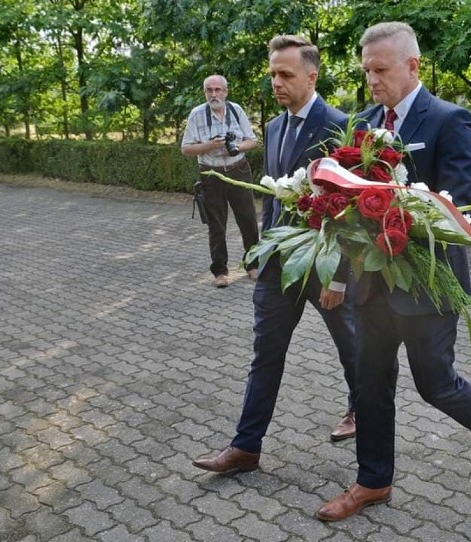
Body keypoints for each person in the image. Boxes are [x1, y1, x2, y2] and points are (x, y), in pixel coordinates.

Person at [315, 22, 471, 522]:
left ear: (412, 66)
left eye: (380, 69)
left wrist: (397, 210)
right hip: (371, 283)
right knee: (370, 385)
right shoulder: (364, 125)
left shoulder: (449, 119)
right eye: (366, 71)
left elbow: (459, 203)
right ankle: (372, 482)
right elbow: (347, 207)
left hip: (427, 283)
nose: (372, 79)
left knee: (434, 384)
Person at [190, 36, 359, 475]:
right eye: (272, 75)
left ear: (311, 75)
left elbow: (350, 213)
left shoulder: (341, 126)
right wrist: (262, 256)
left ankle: (360, 410)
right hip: (278, 265)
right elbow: (277, 200)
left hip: (325, 266)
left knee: (353, 349)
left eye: (285, 74)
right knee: (265, 354)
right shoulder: (274, 127)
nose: (276, 83)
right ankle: (246, 448)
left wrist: (339, 277)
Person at [181, 75, 260, 288]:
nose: (214, 94)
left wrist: (236, 148)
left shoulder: (236, 110)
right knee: (216, 224)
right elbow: (186, 149)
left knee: (248, 220)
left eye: (218, 90)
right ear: (205, 92)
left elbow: (252, 140)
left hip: (238, 170)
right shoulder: (197, 114)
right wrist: (209, 146)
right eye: (209, 90)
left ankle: (253, 265)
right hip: (211, 174)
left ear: (226, 91)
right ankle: (220, 271)